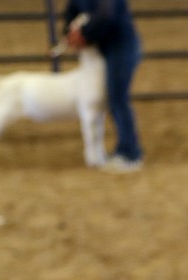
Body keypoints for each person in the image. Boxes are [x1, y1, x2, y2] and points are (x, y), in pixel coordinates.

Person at [64, 0, 142, 173]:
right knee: (114, 99)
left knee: (117, 99)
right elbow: (71, 11)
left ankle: (130, 154)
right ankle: (124, 151)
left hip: (121, 47)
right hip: (105, 49)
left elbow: (107, 15)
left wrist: (83, 32)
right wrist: (70, 32)